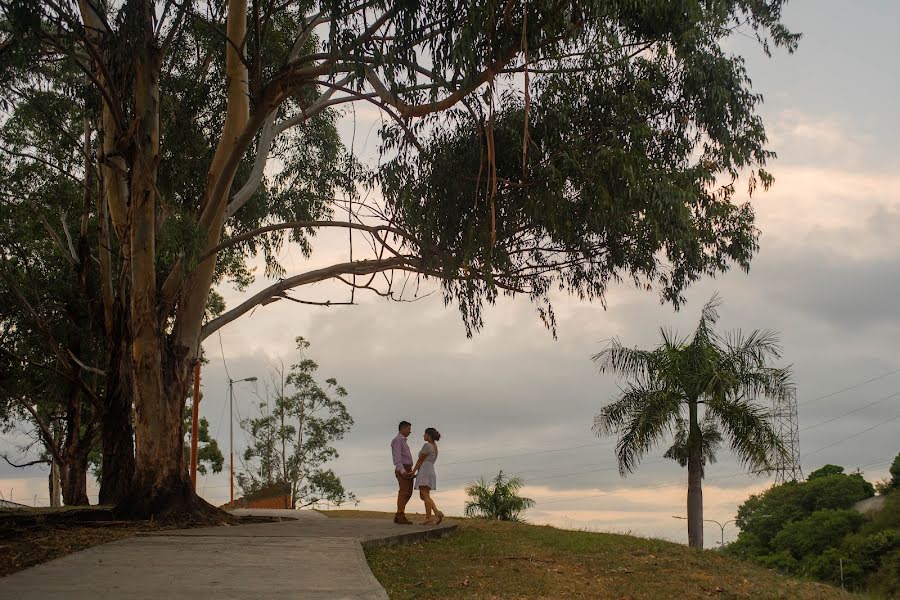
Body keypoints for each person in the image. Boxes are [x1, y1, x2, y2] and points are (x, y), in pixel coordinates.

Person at [412, 427, 443, 525]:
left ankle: (428, 517)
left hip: (425, 470)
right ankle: (437, 512)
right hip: (430, 469)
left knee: (424, 494)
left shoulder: (427, 445)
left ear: (428, 435)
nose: (423, 436)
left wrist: (413, 471)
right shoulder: (435, 446)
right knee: (424, 495)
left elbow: (420, 460)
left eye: (424, 434)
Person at [391, 420, 414, 524]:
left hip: (408, 468)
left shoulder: (403, 440)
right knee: (404, 492)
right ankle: (400, 515)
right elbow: (397, 458)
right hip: (403, 468)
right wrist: (403, 471)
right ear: (403, 428)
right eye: (408, 429)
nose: (410, 431)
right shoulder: (398, 440)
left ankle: (398, 514)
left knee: (408, 492)